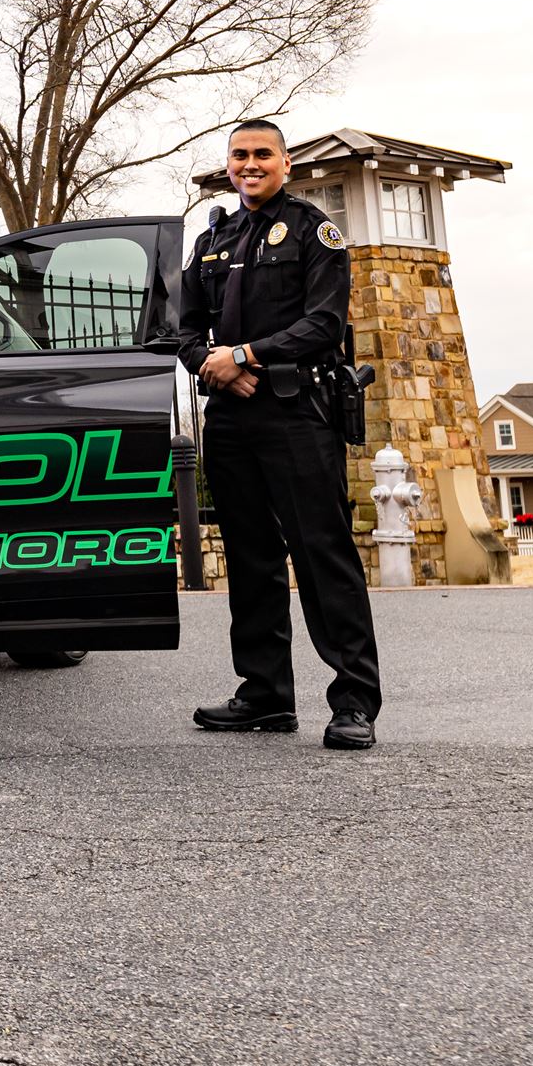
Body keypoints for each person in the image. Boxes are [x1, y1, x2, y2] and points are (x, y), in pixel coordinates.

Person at [176, 119, 381, 751]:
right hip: (233, 417)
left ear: (285, 164)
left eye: (262, 153)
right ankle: (265, 695)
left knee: (322, 554)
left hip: (297, 412)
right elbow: (183, 330)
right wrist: (215, 365)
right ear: (229, 165)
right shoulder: (212, 240)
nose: (250, 163)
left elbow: (325, 323)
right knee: (250, 558)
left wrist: (244, 354)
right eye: (240, 155)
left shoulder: (315, 232)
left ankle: (353, 701)